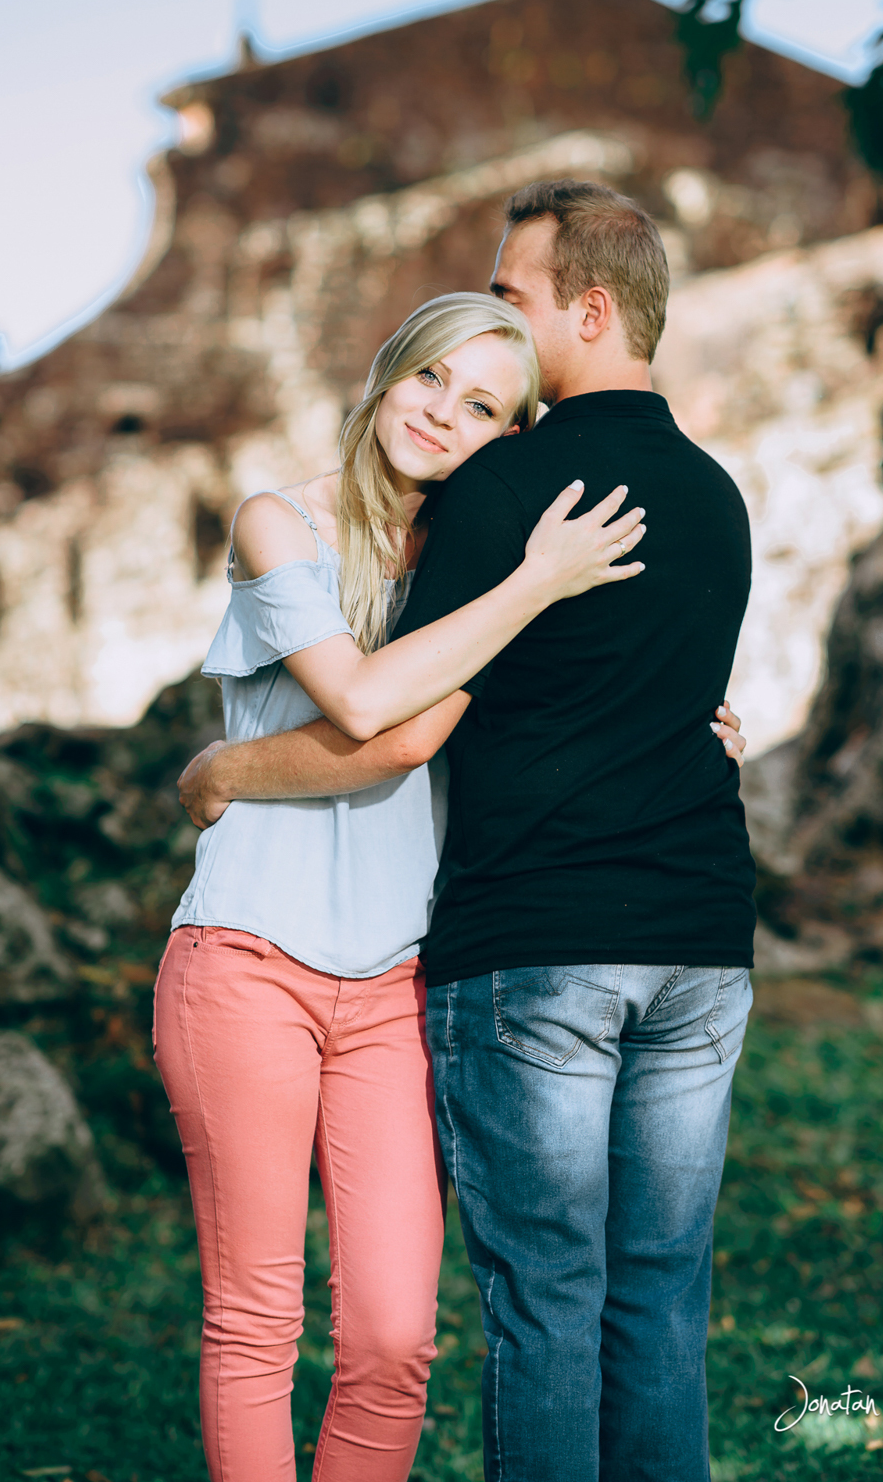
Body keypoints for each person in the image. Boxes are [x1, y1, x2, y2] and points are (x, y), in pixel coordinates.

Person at [177, 181, 756, 1482]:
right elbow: (629, 686)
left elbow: (408, 728)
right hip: (695, 938)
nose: (462, 402)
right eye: (440, 370)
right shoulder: (717, 496)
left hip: (525, 947)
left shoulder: (505, 495)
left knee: (525, 1304)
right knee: (658, 1299)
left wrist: (220, 769)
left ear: (586, 312)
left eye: (511, 299)